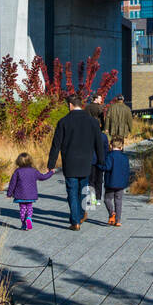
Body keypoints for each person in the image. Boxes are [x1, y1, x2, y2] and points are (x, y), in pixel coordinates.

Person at [47, 94, 106, 230]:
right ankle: (80, 214)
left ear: (70, 105)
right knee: (83, 189)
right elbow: (98, 143)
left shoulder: (63, 122)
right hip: (86, 162)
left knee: (72, 191)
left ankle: (76, 221)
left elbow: (56, 145)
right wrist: (101, 160)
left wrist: (51, 164)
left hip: (70, 162)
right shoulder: (92, 122)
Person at [6, 151, 54, 231]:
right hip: (30, 195)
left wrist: (9, 194)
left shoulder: (17, 171)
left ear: (18, 161)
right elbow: (43, 177)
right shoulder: (33, 171)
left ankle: (23, 224)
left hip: (20, 195)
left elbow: (12, 183)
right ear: (30, 161)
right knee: (29, 207)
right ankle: (29, 218)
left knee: (22, 209)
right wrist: (51, 173)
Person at [103, 137, 131, 226]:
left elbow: (107, 167)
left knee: (107, 199)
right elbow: (127, 170)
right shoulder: (125, 157)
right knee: (118, 201)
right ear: (121, 147)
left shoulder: (110, 156)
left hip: (110, 183)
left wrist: (99, 166)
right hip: (121, 184)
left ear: (111, 146)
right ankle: (118, 221)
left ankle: (112, 213)